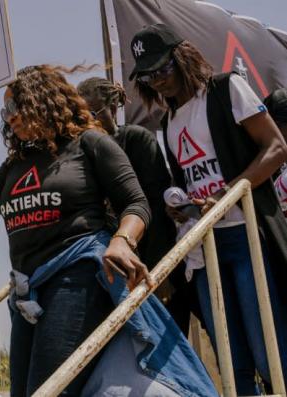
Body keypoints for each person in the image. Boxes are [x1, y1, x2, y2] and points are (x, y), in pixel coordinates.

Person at [0, 64, 216, 397]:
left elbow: (136, 204)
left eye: (15, 107)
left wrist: (122, 241)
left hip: (78, 276)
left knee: (48, 390)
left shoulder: (89, 143)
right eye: (5, 111)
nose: (8, 117)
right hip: (28, 291)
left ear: (41, 100)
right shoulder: (17, 163)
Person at [130, 23, 287, 394]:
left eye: (163, 68)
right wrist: (183, 207)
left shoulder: (224, 89)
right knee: (232, 364)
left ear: (183, 56)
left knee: (270, 355)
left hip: (247, 236)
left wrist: (227, 194)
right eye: (148, 76)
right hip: (205, 248)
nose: (158, 81)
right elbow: (192, 182)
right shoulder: (169, 122)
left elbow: (276, 147)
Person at [77, 77, 201, 335]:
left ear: (112, 108)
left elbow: (156, 207)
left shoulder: (136, 140)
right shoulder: (84, 153)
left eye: (93, 112)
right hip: (118, 275)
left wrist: (161, 272)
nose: (88, 121)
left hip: (155, 267)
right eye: (80, 116)